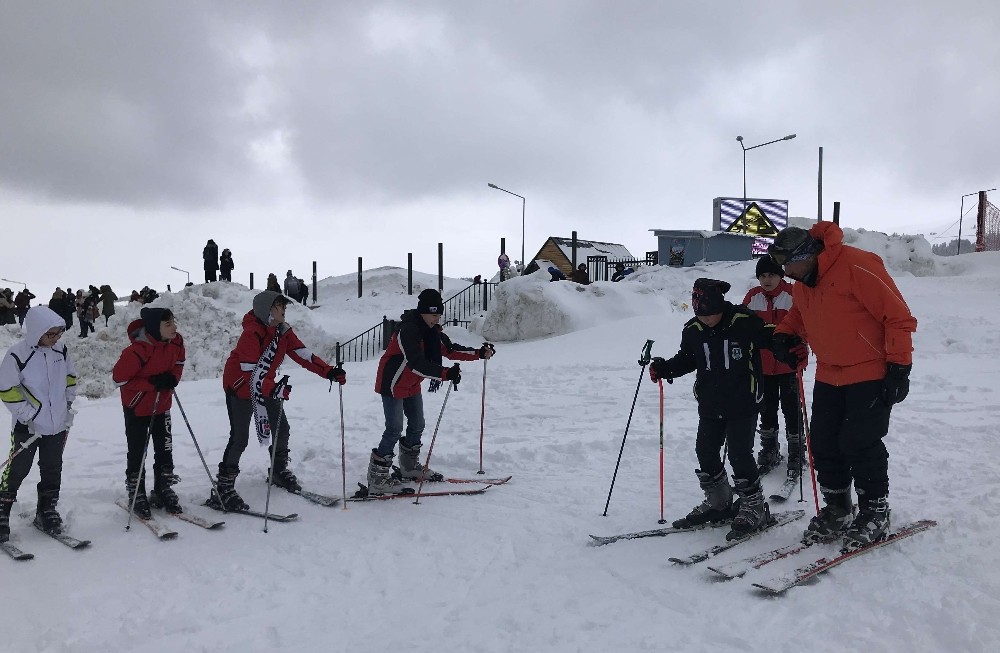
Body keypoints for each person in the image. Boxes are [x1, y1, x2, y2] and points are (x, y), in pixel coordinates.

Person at [768, 224, 917, 552]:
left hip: (870, 370)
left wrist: (899, 367)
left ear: (805, 256)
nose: (784, 273)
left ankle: (875, 511)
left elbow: (898, 316)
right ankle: (838, 507)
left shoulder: (857, 265)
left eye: (787, 265)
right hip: (829, 373)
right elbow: (799, 315)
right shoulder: (805, 282)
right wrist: (783, 335)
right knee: (822, 442)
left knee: (860, 442)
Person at [649, 278, 776, 541]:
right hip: (710, 402)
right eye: (701, 315)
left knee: (740, 454)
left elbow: (772, 338)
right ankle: (719, 503)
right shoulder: (693, 330)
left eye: (710, 314)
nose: (706, 320)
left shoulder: (744, 321)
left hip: (744, 401)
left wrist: (787, 348)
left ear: (721, 306)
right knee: (705, 450)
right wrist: (664, 368)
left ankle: (754, 506)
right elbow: (687, 359)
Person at [209, 291, 346, 510]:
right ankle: (223, 487)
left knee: (281, 428)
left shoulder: (283, 331)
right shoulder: (251, 334)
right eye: (278, 306)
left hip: (266, 386)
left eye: (284, 306)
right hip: (241, 387)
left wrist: (328, 371)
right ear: (267, 310)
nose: (284, 310)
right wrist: (273, 389)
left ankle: (278, 471)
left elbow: (303, 355)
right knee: (240, 438)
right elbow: (249, 373)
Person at [367, 289, 495, 495]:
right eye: (433, 315)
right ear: (422, 313)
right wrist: (445, 373)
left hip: (412, 384)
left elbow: (450, 349)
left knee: (417, 424)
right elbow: (415, 362)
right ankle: (377, 478)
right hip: (393, 382)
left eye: (439, 315)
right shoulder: (407, 330)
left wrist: (479, 353)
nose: (437, 319)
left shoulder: (433, 332)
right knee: (394, 428)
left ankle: (408, 468)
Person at [0, 307, 77, 539]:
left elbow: (70, 378)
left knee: (52, 469)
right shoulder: (17, 355)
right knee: (17, 470)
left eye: (58, 334)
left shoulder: (61, 351)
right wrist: (27, 416)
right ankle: (2, 512)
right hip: (28, 427)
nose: (55, 339)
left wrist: (68, 406)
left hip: (57, 426)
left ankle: (46, 510)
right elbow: (7, 389)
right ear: (36, 332)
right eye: (50, 334)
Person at [111, 308, 186, 517]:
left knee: (164, 449)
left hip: (162, 404)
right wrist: (151, 383)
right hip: (137, 407)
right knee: (138, 451)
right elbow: (119, 379)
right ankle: (137, 493)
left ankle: (163, 489)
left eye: (173, 321)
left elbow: (179, 363)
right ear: (155, 328)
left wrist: (173, 378)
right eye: (168, 324)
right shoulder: (137, 351)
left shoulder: (176, 342)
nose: (174, 327)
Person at [742, 256, 807, 476]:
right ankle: (769, 448)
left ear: (780, 276)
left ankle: (797, 450)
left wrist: (801, 345)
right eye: (762, 276)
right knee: (766, 408)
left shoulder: (792, 295)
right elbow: (743, 325)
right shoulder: (753, 296)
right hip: (762, 365)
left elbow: (805, 323)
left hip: (788, 364)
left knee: (791, 408)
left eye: (771, 275)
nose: (767, 280)